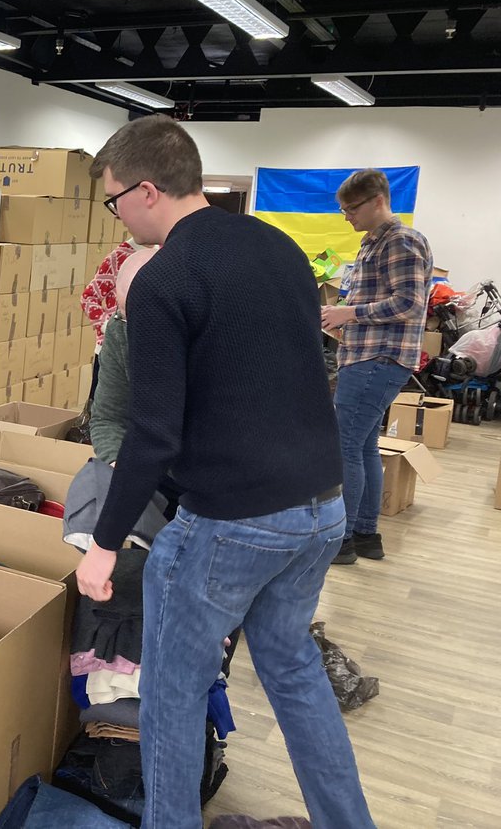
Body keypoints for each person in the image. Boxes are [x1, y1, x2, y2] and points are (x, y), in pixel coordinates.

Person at [76, 114, 375, 829]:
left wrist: (104, 542)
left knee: (172, 693)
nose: (116, 218)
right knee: (294, 669)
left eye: (114, 201)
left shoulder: (162, 278)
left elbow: (152, 431)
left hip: (237, 522)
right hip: (321, 509)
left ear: (147, 191)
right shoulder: (280, 248)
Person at [320, 169, 432, 564]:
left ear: (377, 201)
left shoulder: (400, 241)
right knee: (364, 445)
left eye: (351, 208)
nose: (346, 217)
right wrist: (339, 314)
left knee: (344, 447)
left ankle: (342, 540)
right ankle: (365, 535)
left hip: (377, 359)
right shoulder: (373, 242)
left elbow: (409, 303)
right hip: (367, 356)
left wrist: (348, 312)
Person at [90, 247, 156, 464]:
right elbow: (107, 419)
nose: (133, 328)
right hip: (147, 469)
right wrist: (117, 465)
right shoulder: (120, 329)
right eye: (126, 315)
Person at [81, 239, 140, 403]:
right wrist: (108, 327)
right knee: (103, 408)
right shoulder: (120, 256)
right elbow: (88, 297)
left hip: (139, 350)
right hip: (110, 350)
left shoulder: (162, 253)